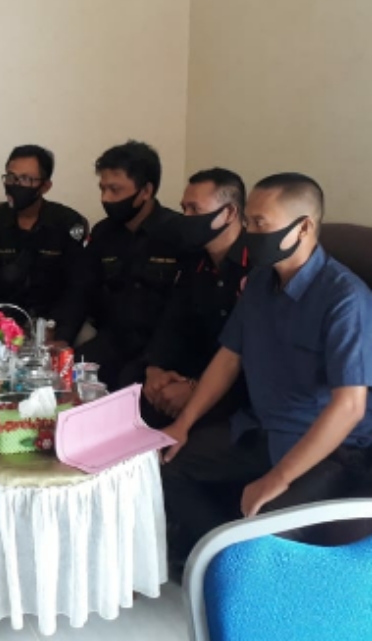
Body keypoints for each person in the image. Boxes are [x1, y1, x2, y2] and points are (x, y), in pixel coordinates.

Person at [161, 173, 372, 558]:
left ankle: (239, 561)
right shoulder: (260, 282)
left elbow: (350, 406)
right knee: (169, 466)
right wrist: (183, 424)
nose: (249, 232)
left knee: (265, 528)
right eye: (248, 221)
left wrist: (279, 477)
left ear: (303, 227)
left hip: (325, 447)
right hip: (260, 427)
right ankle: (218, 555)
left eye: (260, 223)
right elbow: (229, 357)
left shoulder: (345, 299)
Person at [143, 168, 249, 428]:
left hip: (238, 388)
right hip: (191, 370)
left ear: (229, 213)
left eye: (194, 209)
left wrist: (195, 388)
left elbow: (249, 354)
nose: (186, 218)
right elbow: (173, 321)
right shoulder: (194, 261)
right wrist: (156, 369)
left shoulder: (258, 267)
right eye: (184, 209)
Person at [77, 140, 181, 390]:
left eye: (115, 190)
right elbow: (81, 288)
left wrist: (155, 361)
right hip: (113, 340)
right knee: (68, 375)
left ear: (146, 191)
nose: (105, 198)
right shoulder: (103, 233)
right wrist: (61, 336)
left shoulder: (177, 233)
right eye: (103, 189)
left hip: (160, 349)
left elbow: (181, 312)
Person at [0, 145, 89, 346]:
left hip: (55, 320)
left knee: (87, 342)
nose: (15, 185)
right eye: (11, 178)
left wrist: (60, 331)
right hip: (2, 321)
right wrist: (2, 324)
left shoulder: (67, 224)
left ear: (45, 186)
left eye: (25, 179)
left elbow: (78, 287)